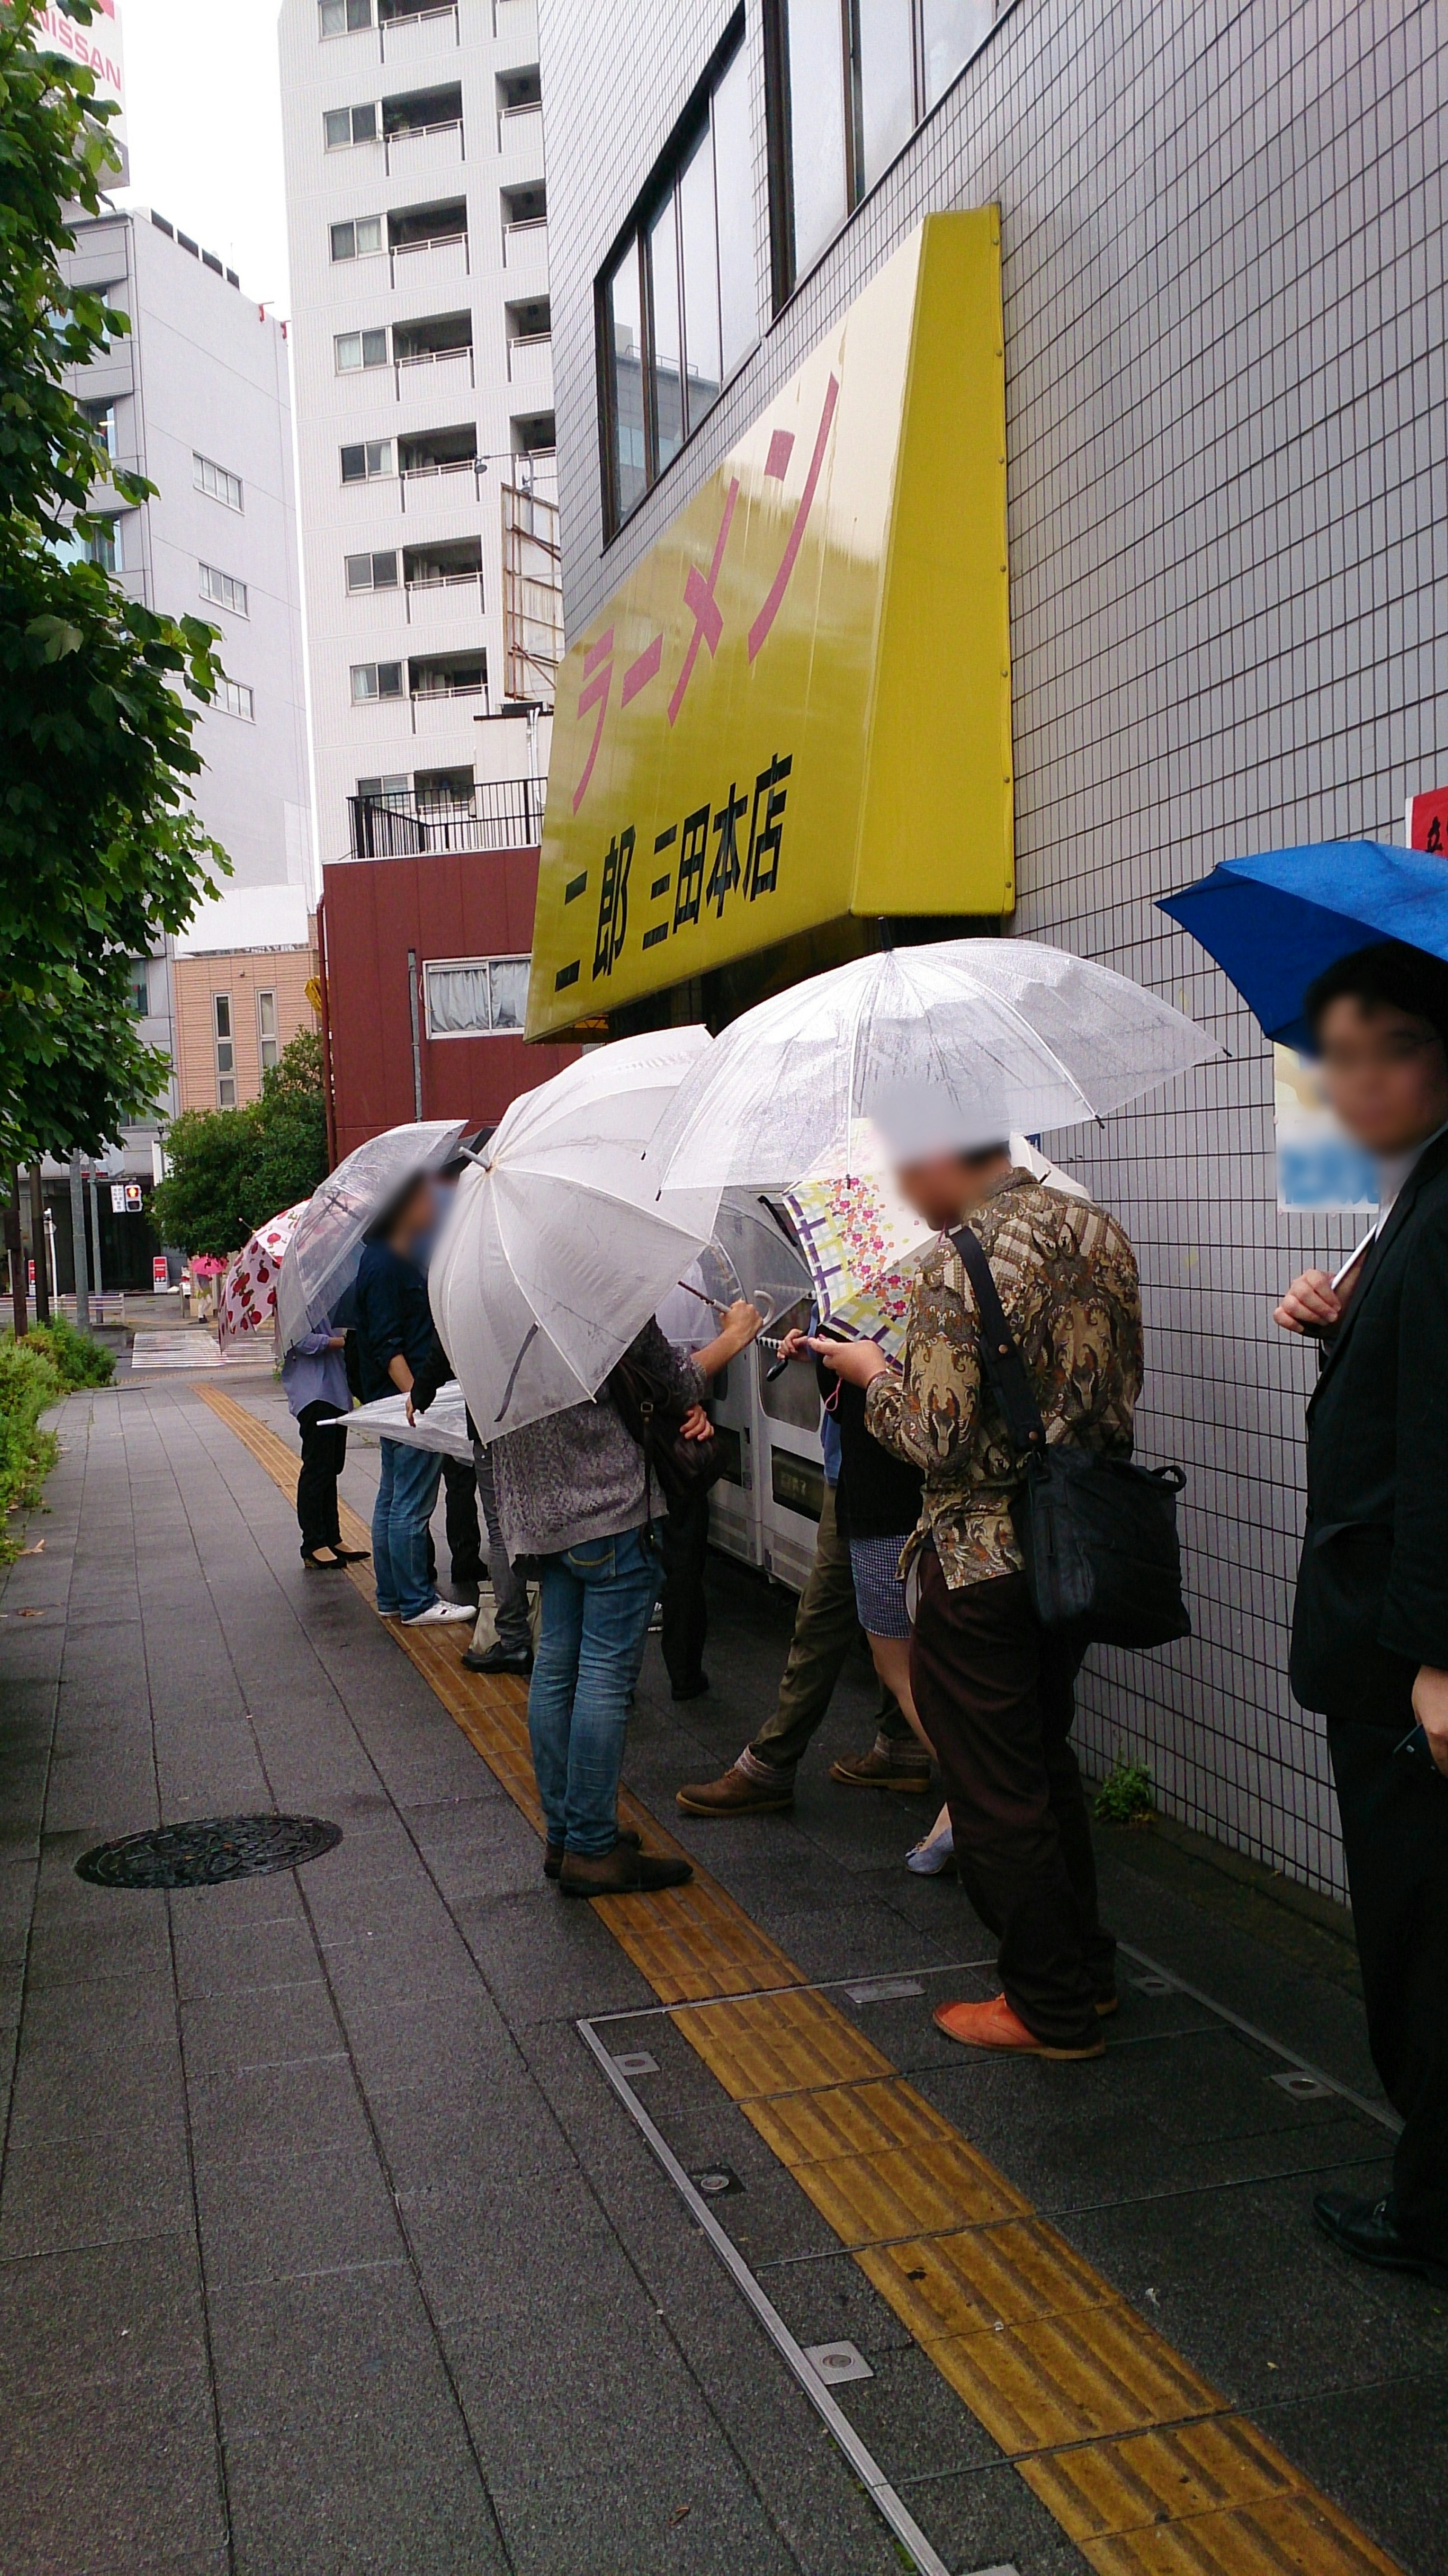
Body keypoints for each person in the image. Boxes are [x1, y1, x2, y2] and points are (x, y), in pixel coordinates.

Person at [811, 1144, 1140, 2061]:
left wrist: (871, 1370)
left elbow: (937, 1438)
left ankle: (1048, 2005)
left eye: (904, 1178)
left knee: (994, 1787)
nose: (905, 1201)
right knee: (1041, 1754)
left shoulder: (950, 1265)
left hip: (980, 1556)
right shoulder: (1099, 1229)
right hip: (1078, 1544)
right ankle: (1088, 1971)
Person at [1273, 940, 1448, 2290]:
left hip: (1406, 1659)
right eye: (1338, 1050)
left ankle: (1432, 2204)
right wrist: (1336, 1323)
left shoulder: (1443, 1211)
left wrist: (1438, 1659)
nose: (1357, 1074)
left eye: (1389, 1042)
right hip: (1390, 1636)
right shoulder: (1411, 1204)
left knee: (1417, 1937)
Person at [493, 1313, 753, 1896]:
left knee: (556, 1666)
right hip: (606, 1503)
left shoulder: (491, 1288)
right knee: (604, 1680)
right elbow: (676, 1380)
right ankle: (590, 1845)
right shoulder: (594, 1283)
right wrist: (736, 1335)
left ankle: (566, 1833)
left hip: (541, 1512)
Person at [353, 1177, 473, 1629]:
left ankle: (392, 1595)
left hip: (400, 1400)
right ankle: (417, 1599)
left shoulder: (390, 1258)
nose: (434, 1202)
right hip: (407, 1400)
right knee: (411, 1503)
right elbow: (388, 1342)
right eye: (424, 1196)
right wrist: (415, 1402)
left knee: (393, 1498)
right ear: (403, 1208)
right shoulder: (384, 1263)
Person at [653, 1276, 765, 1700]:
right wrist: (691, 1395)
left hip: (616, 1439)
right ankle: (685, 1671)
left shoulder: (586, 1266)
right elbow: (694, 1365)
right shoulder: (686, 1268)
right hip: (676, 1427)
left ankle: (610, 1682)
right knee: (683, 1550)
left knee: (620, 1563)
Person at [281, 1317, 366, 1570]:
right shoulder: (295, 1298)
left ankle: (332, 1536)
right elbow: (299, 1340)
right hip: (314, 1395)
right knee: (317, 1469)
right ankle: (313, 1543)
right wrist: (340, 1342)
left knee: (331, 1468)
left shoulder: (324, 1294)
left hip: (336, 1392)